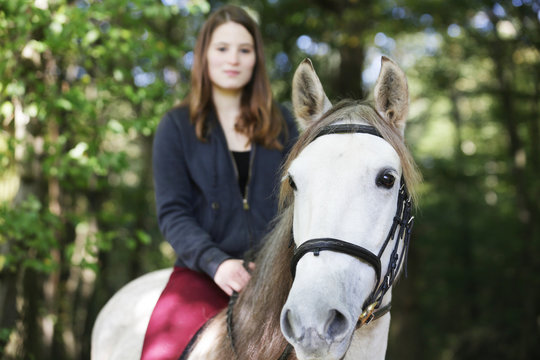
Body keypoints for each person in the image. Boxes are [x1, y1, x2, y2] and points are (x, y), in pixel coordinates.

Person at [140, 5, 298, 360]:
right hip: (202, 273)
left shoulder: (284, 124)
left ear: (256, 58)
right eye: (222, 48)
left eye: (244, 50)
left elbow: (298, 202)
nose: (233, 59)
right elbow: (173, 213)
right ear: (204, 55)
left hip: (277, 276)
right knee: (162, 351)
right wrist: (217, 262)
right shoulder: (176, 126)